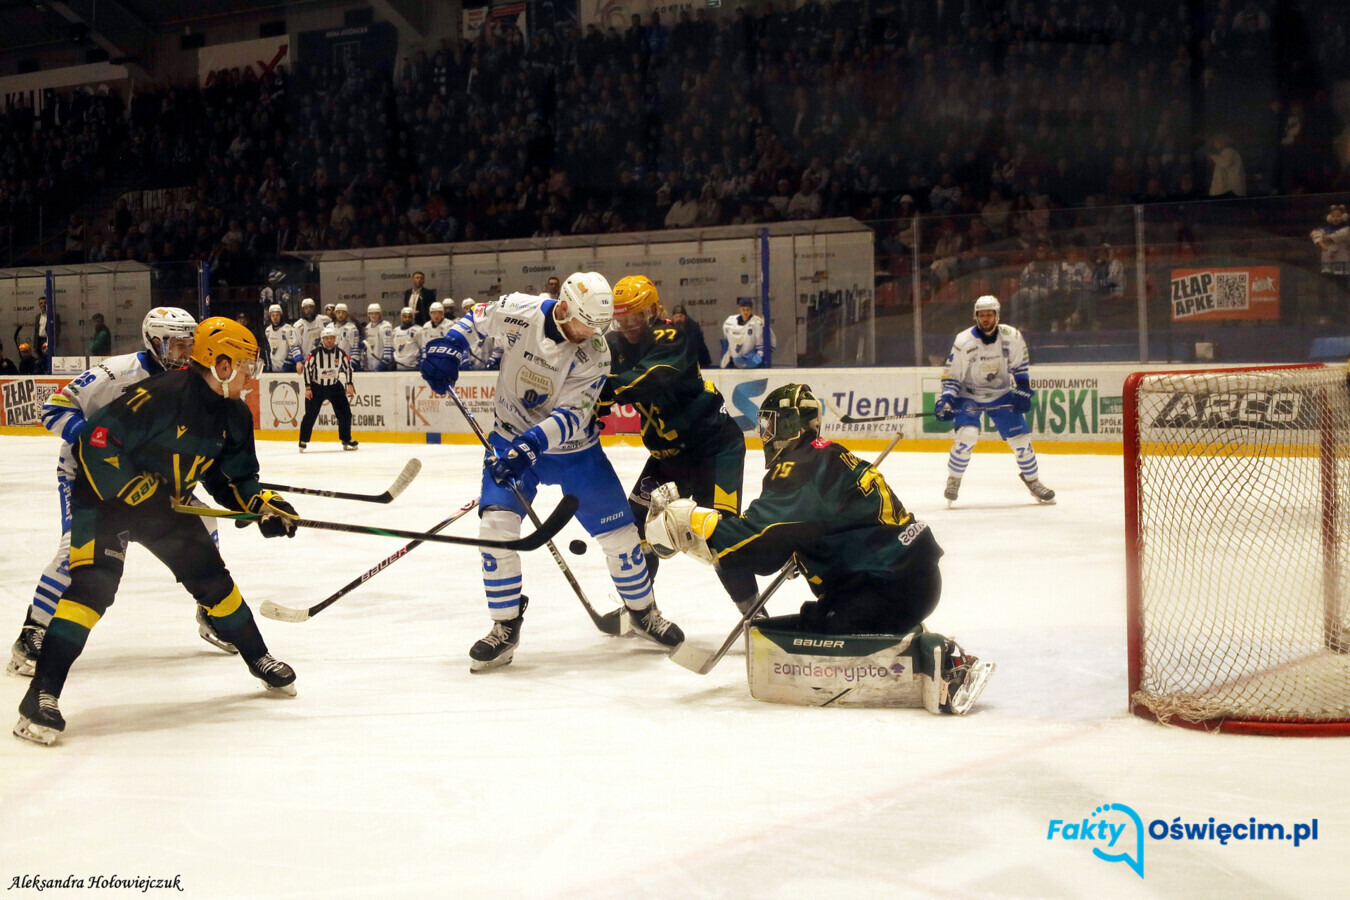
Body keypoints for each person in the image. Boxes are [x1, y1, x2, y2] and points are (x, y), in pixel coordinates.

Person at [14, 317, 299, 745]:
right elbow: (96, 438)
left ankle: (259, 657)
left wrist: (260, 504)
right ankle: (40, 696)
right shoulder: (161, 394)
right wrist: (129, 486)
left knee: (213, 583)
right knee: (92, 589)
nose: (251, 377)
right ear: (221, 366)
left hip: (164, 503)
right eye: (245, 366)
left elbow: (231, 479)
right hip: (105, 499)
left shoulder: (235, 414)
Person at [645, 383, 993, 714]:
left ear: (790, 424)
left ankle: (943, 660)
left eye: (769, 424)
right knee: (816, 616)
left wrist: (692, 520)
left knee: (824, 628)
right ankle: (911, 643)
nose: (765, 433)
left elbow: (754, 540)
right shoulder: (825, 454)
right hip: (906, 576)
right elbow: (792, 539)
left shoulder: (798, 466)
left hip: (888, 586)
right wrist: (811, 547)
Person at [420, 271, 684, 671]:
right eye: (587, 323)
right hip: (509, 439)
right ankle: (505, 626)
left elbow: (573, 415)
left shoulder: (595, 352)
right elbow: (476, 318)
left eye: (600, 326)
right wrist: (450, 343)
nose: (595, 333)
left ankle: (643, 612)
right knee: (495, 530)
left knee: (621, 536)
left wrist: (532, 445)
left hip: (574, 451)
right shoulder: (517, 310)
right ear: (563, 307)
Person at [8, 306, 240, 678]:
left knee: (205, 524)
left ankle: (212, 611)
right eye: (176, 346)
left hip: (148, 479)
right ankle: (33, 631)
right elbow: (54, 408)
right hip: (90, 476)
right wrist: (99, 446)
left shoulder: (190, 380)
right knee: (75, 550)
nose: (183, 353)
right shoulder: (115, 372)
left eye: (188, 345)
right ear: (154, 342)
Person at [605, 276, 756, 610]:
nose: (628, 327)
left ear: (654, 310)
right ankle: (641, 607)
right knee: (635, 529)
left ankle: (755, 616)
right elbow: (596, 388)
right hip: (667, 460)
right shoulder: (613, 345)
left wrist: (599, 387)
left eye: (635, 318)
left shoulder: (672, 335)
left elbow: (647, 379)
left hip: (714, 451)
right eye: (622, 320)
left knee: (720, 536)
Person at [935, 296, 1055, 504]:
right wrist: (946, 400)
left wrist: (1024, 390)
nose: (986, 318)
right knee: (968, 436)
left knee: (1021, 441)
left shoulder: (1012, 337)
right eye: (982, 314)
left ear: (997, 315)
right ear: (976, 316)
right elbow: (952, 376)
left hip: (1001, 394)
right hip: (969, 396)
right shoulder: (963, 341)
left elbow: (1020, 368)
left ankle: (1033, 481)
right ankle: (954, 479)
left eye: (990, 314)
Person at [299, 325, 358, 451]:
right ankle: (303, 440)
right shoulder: (314, 354)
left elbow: (348, 369)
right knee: (310, 414)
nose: (329, 341)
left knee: (345, 413)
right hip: (316, 387)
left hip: (334, 387)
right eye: (327, 338)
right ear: (322, 340)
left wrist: (349, 384)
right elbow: (306, 370)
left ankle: (346, 439)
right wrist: (308, 387)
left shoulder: (341, 354)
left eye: (332, 338)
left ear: (335, 339)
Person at [722, 298, 770, 368]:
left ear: (751, 309)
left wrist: (756, 360)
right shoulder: (729, 322)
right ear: (739, 309)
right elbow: (726, 342)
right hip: (733, 361)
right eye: (743, 310)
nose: (745, 312)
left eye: (748, 310)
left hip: (750, 361)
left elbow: (761, 346)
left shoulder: (757, 322)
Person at [290, 298, 330, 370]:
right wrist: (298, 361)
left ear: (314, 308)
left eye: (311, 307)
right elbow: (294, 345)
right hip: (307, 361)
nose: (308, 309)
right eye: (306, 308)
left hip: (325, 360)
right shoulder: (298, 326)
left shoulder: (325, 320)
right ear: (302, 309)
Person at [670, 304, 711, 368]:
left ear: (685, 317)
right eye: (676, 317)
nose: (678, 319)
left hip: (698, 360)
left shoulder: (693, 327)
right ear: (673, 318)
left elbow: (693, 346)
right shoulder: (670, 327)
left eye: (680, 316)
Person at [263, 304, 296, 373]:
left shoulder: (288, 329)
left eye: (277, 315)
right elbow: (269, 348)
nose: (275, 317)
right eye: (273, 315)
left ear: (281, 316)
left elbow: (293, 345)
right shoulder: (268, 330)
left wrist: (289, 361)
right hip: (274, 367)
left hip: (287, 366)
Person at [362, 303, 394, 371]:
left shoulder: (385, 326)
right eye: (371, 313)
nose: (373, 316)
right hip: (369, 363)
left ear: (380, 314)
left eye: (376, 313)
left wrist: (386, 360)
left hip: (380, 361)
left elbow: (388, 345)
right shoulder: (368, 327)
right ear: (368, 314)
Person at [392, 306, 422, 371]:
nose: (407, 319)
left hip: (413, 368)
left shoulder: (418, 330)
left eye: (409, 317)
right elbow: (393, 349)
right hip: (398, 368)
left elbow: (423, 347)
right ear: (401, 317)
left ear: (413, 317)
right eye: (405, 317)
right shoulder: (395, 331)